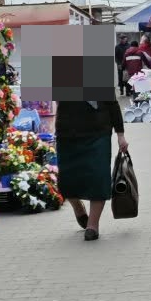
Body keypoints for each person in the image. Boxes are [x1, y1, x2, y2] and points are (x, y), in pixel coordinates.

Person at [54, 94, 128, 241]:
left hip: (98, 134)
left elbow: (112, 103)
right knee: (67, 180)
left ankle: (92, 226)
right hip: (68, 134)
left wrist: (120, 135)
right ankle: (78, 207)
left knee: (98, 177)